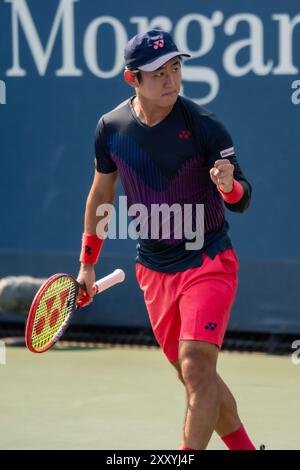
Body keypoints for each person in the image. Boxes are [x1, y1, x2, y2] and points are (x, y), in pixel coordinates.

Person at [76, 29, 256, 450]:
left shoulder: (205, 127)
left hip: (208, 261)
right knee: (196, 378)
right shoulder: (111, 128)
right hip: (154, 271)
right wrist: (87, 263)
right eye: (158, 72)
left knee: (196, 367)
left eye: (176, 67)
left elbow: (242, 199)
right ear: (132, 79)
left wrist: (228, 186)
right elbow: (102, 194)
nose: (171, 79)